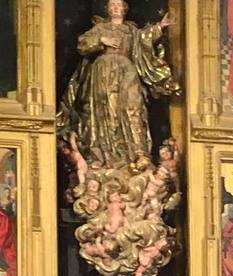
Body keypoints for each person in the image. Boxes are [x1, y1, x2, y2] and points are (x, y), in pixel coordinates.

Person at [57, 0, 179, 167]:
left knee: (133, 107)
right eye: (112, 5)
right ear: (107, 9)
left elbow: (144, 40)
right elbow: (83, 45)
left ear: (124, 9)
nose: (115, 8)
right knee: (105, 109)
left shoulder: (131, 30)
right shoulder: (100, 28)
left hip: (127, 71)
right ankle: (103, 155)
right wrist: (101, 40)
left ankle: (138, 153)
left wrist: (160, 26)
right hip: (103, 71)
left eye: (118, 5)